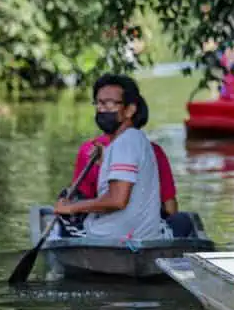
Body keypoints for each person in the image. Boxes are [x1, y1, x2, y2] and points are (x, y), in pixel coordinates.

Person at [54, 75, 173, 240]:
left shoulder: (123, 143)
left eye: (110, 103)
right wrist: (104, 163)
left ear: (130, 110)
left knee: (64, 208)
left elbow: (117, 201)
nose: (102, 109)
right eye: (99, 103)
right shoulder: (138, 138)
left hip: (113, 236)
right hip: (146, 234)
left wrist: (72, 208)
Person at [68, 96, 195, 237]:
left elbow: (80, 199)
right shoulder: (153, 151)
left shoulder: (88, 148)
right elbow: (170, 208)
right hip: (139, 230)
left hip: (102, 226)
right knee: (182, 221)